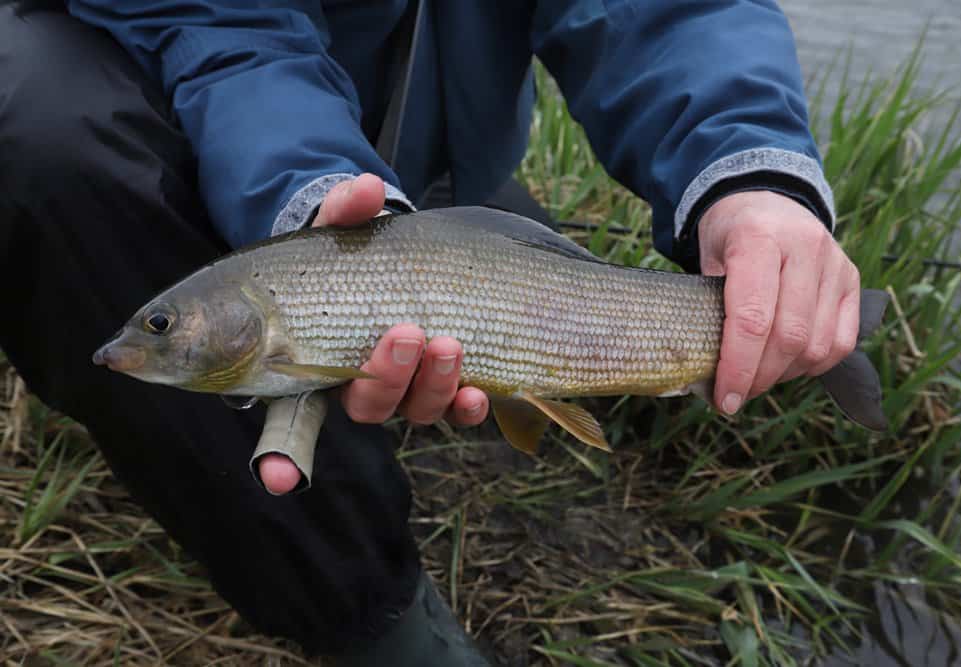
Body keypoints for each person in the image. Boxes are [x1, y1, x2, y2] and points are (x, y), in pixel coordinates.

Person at [0, 0, 862, 663]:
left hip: (431, 199)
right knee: (42, 132)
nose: (135, 343)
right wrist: (313, 196)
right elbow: (218, 30)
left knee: (464, 336)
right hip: (178, 122)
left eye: (158, 327)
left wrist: (750, 172)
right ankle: (368, 610)